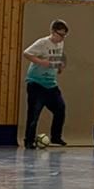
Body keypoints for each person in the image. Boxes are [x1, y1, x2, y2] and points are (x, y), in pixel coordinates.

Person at [23, 19, 69, 148]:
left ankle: (56, 137)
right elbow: (26, 53)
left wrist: (59, 66)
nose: (62, 38)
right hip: (36, 83)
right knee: (34, 114)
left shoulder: (60, 43)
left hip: (50, 84)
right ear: (53, 32)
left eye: (64, 35)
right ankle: (29, 140)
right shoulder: (42, 43)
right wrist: (41, 62)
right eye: (60, 35)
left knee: (60, 109)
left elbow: (56, 56)